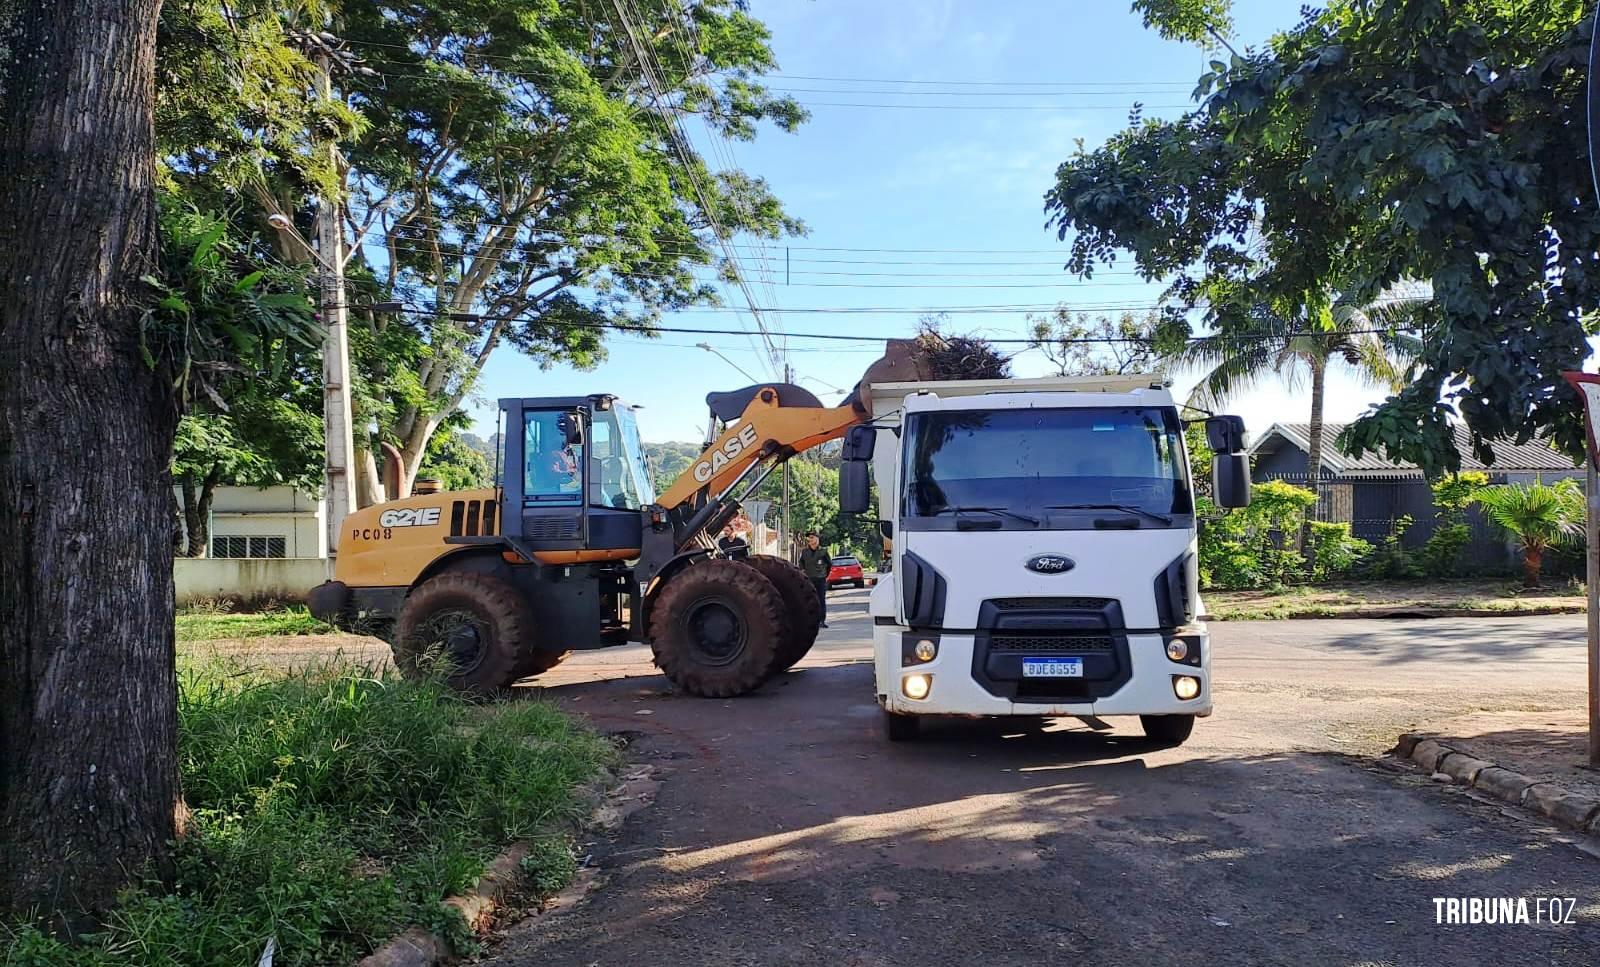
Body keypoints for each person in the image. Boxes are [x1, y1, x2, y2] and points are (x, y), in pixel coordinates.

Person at [797, 531, 831, 628]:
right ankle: (811, 621)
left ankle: (822, 621)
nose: (811, 540)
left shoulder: (823, 551)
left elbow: (829, 565)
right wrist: (803, 572)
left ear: (817, 539)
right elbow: (801, 564)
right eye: (809, 538)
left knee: (821, 600)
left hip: (820, 580)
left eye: (813, 537)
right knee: (809, 601)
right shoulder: (805, 552)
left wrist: (824, 575)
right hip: (809, 580)